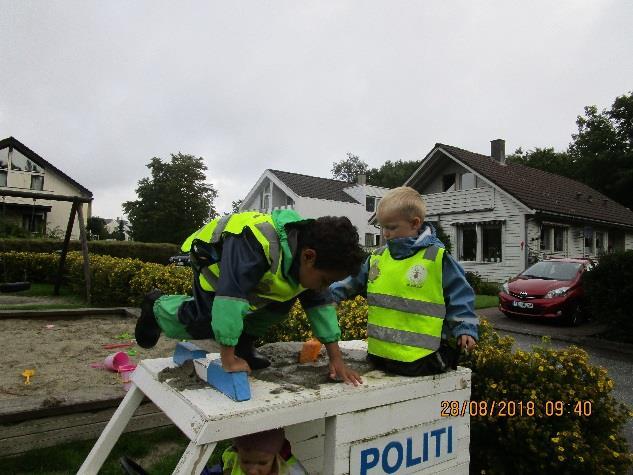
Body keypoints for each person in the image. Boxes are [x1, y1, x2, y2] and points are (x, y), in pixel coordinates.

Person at [135, 209, 365, 384]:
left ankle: (244, 345)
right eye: (325, 280)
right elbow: (230, 298)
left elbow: (320, 308)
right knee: (204, 321)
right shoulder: (256, 243)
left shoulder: (311, 261)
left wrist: (336, 360)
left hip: (252, 279)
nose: (324, 287)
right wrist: (228, 359)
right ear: (309, 257)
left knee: (280, 303)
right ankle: (156, 307)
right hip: (215, 265)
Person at [330, 186, 479, 377]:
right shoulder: (378, 257)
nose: (386, 234)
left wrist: (465, 328)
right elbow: (350, 281)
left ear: (415, 223)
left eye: (392, 227)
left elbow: (460, 296)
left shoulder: (436, 258)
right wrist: (328, 295)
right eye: (383, 227)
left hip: (420, 358)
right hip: (379, 355)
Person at [222, 428, 307, 475]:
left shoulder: (291, 471)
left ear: (277, 456)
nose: (252, 471)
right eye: (246, 462)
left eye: (262, 463)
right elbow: (228, 461)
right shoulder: (233, 456)